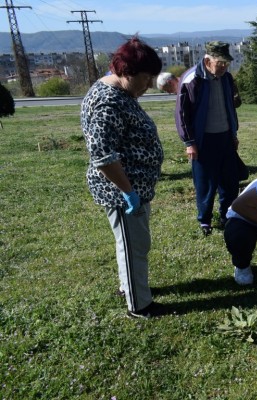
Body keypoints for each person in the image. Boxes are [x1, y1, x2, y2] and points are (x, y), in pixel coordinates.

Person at [81, 36, 168, 319]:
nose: (149, 84)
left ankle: (128, 287)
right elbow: (103, 157)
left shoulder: (122, 93)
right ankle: (139, 305)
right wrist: (128, 191)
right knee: (135, 248)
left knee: (131, 244)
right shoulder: (107, 102)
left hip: (134, 187)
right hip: (122, 191)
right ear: (126, 72)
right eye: (146, 78)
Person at [175, 41, 241, 236]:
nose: (224, 67)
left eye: (226, 63)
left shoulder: (227, 78)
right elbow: (181, 113)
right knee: (205, 183)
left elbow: (230, 107)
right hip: (203, 141)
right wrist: (189, 142)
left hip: (225, 137)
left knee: (229, 182)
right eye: (220, 63)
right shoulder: (191, 79)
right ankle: (204, 220)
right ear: (207, 60)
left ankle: (227, 215)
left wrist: (233, 134)